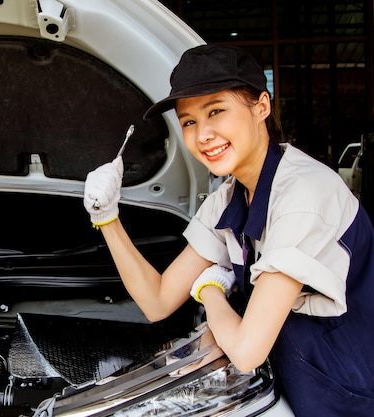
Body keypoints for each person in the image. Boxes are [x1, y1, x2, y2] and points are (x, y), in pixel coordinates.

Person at [83, 44, 374, 417]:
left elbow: (247, 351)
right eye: (189, 122)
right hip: (294, 383)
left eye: (216, 111)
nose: (202, 135)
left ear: (262, 107)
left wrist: (210, 292)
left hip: (348, 393)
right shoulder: (229, 197)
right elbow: (156, 301)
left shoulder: (305, 195)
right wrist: (108, 218)